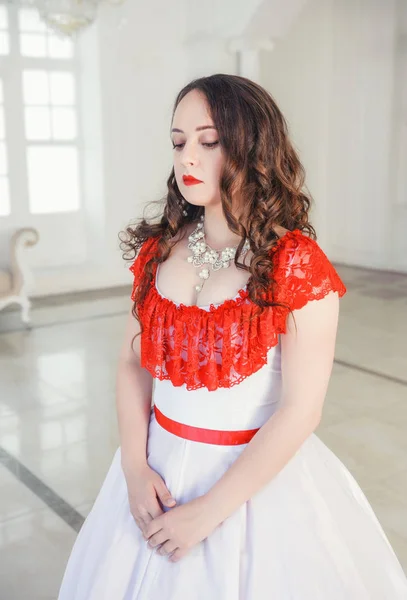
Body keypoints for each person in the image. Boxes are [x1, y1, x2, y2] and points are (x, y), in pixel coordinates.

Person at [58, 73, 407, 599]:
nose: (187, 158)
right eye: (178, 142)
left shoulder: (295, 264)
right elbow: (133, 362)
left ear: (251, 146)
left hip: (251, 484)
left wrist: (206, 515)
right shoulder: (160, 250)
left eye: (209, 140)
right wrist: (133, 465)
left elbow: (300, 411)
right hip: (156, 466)